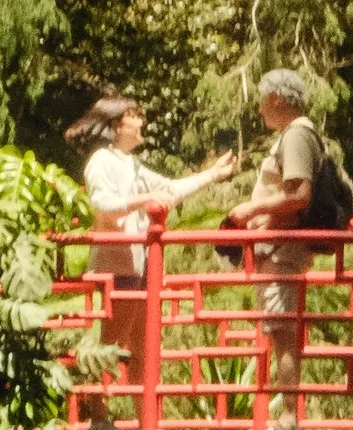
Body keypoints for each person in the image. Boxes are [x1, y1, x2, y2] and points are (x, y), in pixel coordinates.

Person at [66, 92, 237, 409]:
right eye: (135, 115)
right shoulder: (101, 161)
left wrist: (212, 174)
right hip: (118, 267)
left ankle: (144, 420)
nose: (142, 121)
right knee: (111, 345)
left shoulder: (130, 164)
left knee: (143, 346)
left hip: (141, 266)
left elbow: (169, 190)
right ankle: (97, 416)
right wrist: (143, 202)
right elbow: (103, 205)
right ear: (118, 123)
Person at [232, 70, 325, 429]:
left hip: (283, 250)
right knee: (279, 332)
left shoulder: (298, 134)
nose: (259, 110)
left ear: (277, 99)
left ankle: (289, 418)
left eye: (262, 101)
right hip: (277, 247)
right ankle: (288, 415)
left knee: (283, 334)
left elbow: (299, 195)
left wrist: (252, 210)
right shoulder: (294, 134)